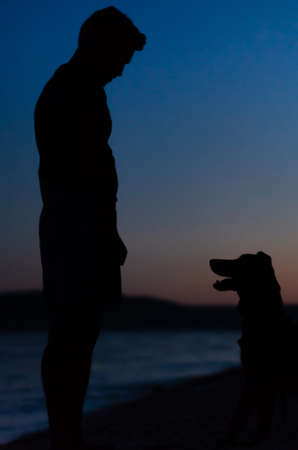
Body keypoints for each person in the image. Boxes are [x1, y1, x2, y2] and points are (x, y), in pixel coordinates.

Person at [34, 7, 146, 450]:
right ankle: (65, 434)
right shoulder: (72, 90)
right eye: (120, 58)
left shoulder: (80, 89)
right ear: (100, 45)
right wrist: (102, 229)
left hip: (80, 224)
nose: (121, 71)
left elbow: (92, 168)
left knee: (77, 333)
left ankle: (67, 431)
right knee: (72, 333)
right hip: (75, 227)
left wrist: (107, 229)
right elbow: (81, 171)